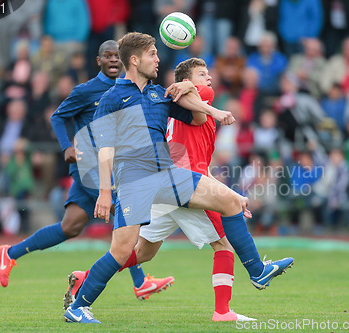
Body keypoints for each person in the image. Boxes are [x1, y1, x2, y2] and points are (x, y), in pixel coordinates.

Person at [64, 32, 294, 324]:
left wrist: (194, 94)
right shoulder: (112, 98)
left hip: (166, 175)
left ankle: (257, 271)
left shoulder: (159, 93)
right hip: (134, 181)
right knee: (122, 251)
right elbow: (106, 149)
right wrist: (106, 192)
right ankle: (78, 307)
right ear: (134, 60)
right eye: (152, 54)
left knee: (233, 201)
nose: (158, 59)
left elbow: (196, 119)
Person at [0, 41, 173, 301]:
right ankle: (139, 281)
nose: (113, 60)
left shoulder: (130, 89)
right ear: (98, 61)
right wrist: (66, 146)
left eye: (116, 56)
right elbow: (57, 116)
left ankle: (10, 253)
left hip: (107, 166)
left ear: (124, 61)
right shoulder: (87, 90)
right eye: (107, 56)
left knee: (71, 226)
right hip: (91, 166)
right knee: (124, 211)